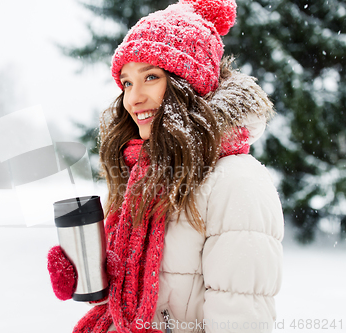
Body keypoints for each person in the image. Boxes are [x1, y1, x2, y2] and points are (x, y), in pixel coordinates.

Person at [47, 0, 284, 332]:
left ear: (189, 83)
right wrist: (90, 272)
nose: (133, 98)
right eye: (127, 83)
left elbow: (241, 320)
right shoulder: (145, 172)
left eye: (151, 77)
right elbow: (141, 297)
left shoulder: (236, 182)